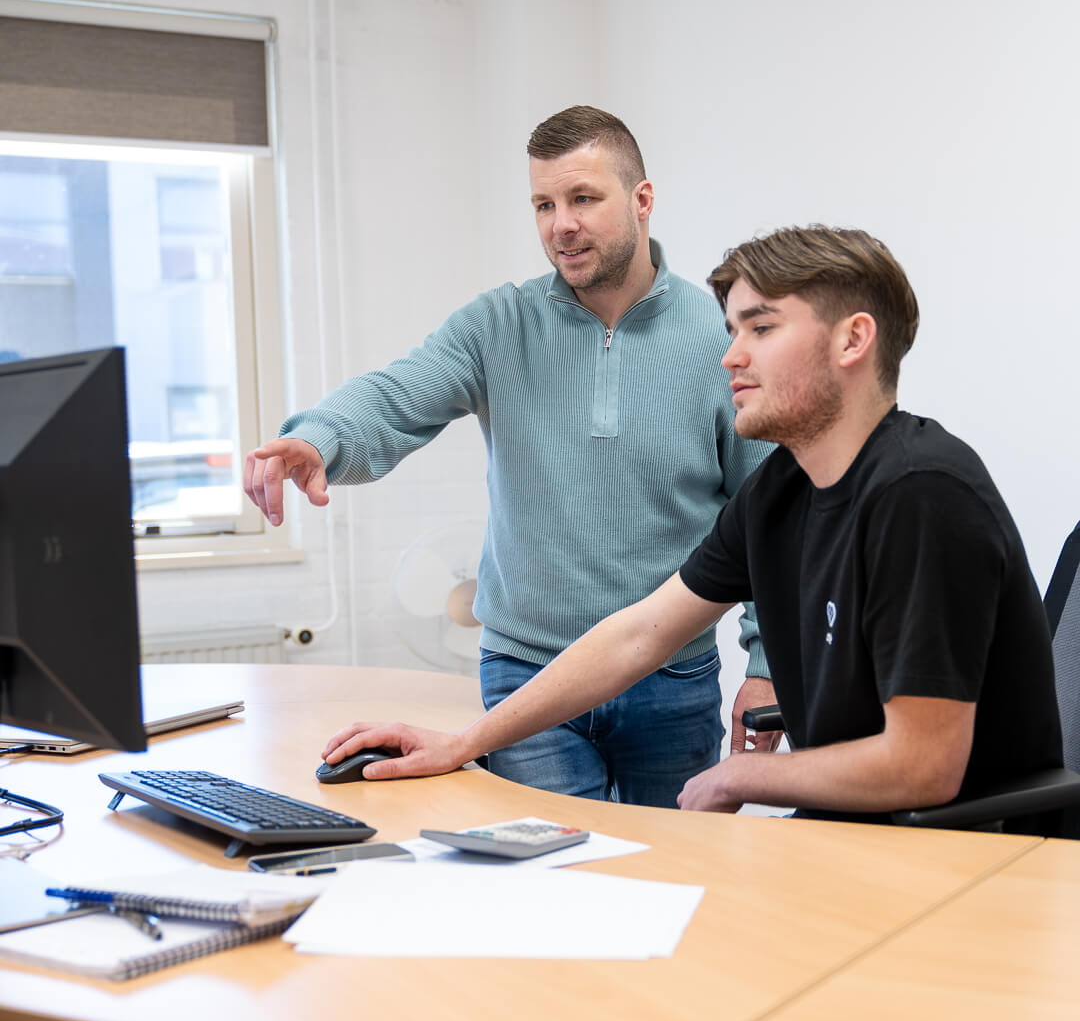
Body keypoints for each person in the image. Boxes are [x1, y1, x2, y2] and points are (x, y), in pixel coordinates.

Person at [322, 224, 1064, 825]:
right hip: (857, 840)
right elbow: (642, 631)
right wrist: (463, 742)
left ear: (852, 340)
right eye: (731, 328)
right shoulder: (781, 490)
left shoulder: (921, 495)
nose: (730, 355)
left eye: (761, 327)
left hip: (966, 864)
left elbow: (922, 765)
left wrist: (744, 775)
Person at [244, 106, 776, 809]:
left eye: (584, 198)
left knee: (671, 877)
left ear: (642, 200)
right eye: (544, 204)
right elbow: (396, 394)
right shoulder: (500, 324)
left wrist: (766, 663)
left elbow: (771, 513)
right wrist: (320, 437)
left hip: (670, 679)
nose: (562, 224)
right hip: (527, 675)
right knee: (549, 884)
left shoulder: (721, 334)